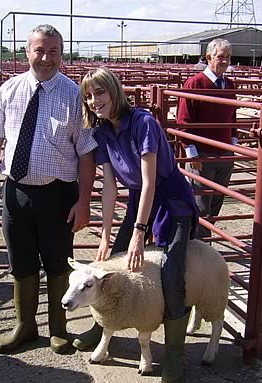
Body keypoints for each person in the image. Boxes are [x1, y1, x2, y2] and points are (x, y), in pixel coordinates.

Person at [0, 24, 97, 355]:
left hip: (59, 195)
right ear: (27, 51)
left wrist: (84, 201)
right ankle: (25, 326)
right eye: (39, 50)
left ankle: (58, 328)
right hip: (16, 192)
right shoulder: (9, 90)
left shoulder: (74, 95)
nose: (46, 58)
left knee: (58, 263)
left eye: (53, 51)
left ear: (62, 53)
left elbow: (87, 152)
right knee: (21, 261)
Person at [76, 67, 198, 383]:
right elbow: (109, 186)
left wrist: (139, 234)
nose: (94, 100)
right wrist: (105, 234)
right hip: (138, 201)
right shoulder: (102, 131)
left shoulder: (142, 123)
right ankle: (101, 328)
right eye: (88, 96)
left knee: (171, 275)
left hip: (170, 201)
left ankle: (173, 354)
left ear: (115, 90)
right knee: (110, 269)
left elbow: (149, 182)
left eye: (99, 92)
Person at [177, 38, 237, 239]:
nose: (225, 61)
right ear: (209, 57)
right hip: (202, 154)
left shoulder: (229, 84)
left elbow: (233, 116)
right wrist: (191, 152)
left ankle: (204, 244)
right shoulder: (195, 83)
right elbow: (183, 121)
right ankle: (200, 247)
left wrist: (233, 145)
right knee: (201, 205)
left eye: (228, 57)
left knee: (216, 202)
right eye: (221, 57)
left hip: (224, 153)